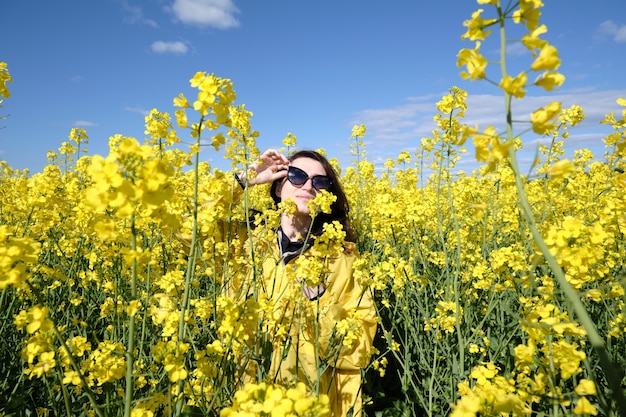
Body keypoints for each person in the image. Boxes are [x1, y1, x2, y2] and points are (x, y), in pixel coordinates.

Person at [235, 149, 377, 417]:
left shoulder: (342, 257)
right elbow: (183, 228)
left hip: (311, 404)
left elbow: (359, 350)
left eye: (321, 182)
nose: (309, 186)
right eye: (297, 176)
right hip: (246, 401)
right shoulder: (245, 242)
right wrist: (244, 179)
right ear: (279, 186)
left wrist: (319, 300)